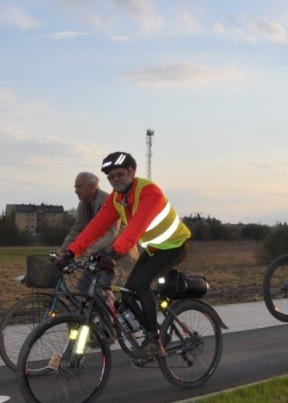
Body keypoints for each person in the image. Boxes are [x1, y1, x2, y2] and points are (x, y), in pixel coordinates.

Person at [58, 151, 192, 363]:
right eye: (111, 177)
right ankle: (157, 333)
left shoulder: (150, 192)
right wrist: (71, 252)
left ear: (132, 171)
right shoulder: (117, 199)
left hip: (175, 246)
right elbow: (96, 226)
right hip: (154, 248)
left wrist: (114, 253)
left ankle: (153, 342)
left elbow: (135, 228)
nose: (115, 180)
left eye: (119, 174)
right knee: (128, 293)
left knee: (141, 284)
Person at [57, 171, 137, 294]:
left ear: (92, 187)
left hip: (116, 255)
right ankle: (92, 313)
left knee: (100, 289)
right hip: (98, 256)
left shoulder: (108, 201)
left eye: (79, 187)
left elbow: (111, 233)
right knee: (83, 285)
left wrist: (86, 250)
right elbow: (77, 229)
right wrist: (63, 250)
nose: (76, 191)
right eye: (75, 187)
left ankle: (110, 313)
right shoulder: (83, 205)